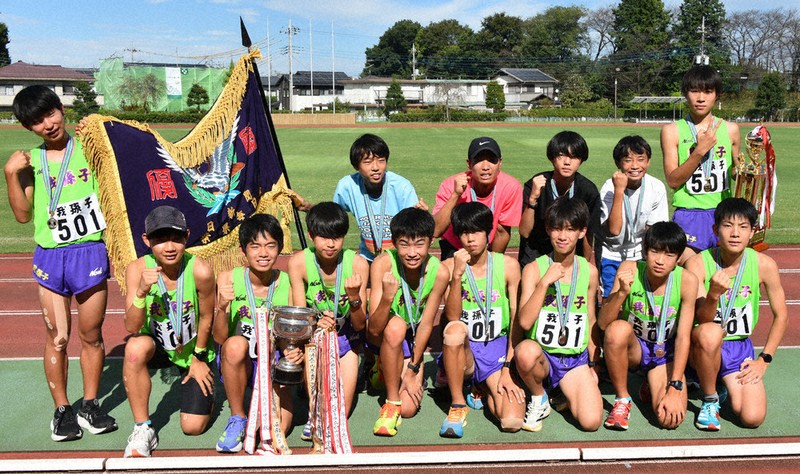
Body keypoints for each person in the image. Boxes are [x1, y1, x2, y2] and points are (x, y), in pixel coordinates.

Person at [4, 85, 116, 442]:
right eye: (37, 122)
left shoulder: (92, 148)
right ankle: (62, 410)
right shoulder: (29, 162)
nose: (48, 125)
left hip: (89, 252)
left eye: (50, 113)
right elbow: (22, 216)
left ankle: (89, 404)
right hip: (52, 256)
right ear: (28, 128)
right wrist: (10, 174)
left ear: (61, 108)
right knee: (58, 337)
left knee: (92, 336)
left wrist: (99, 130)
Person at [685, 198, 787, 431]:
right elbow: (703, 319)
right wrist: (713, 295)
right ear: (715, 229)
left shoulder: (765, 265)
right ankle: (710, 399)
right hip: (700, 347)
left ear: (752, 232)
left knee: (752, 418)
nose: (735, 233)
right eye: (728, 225)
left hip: (737, 350)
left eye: (743, 227)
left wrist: (764, 360)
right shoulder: (698, 263)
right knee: (710, 333)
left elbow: (781, 316)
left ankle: (721, 383)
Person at [122, 206, 216, 457]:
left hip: (193, 348)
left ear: (187, 236)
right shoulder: (136, 269)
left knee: (192, 428)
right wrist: (141, 292)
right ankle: (143, 428)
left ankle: (208, 389)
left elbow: (207, 317)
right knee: (134, 348)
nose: (169, 246)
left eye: (176, 238)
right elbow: (131, 326)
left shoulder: (200, 271)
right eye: (160, 239)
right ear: (146, 241)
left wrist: (198, 357)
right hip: (158, 345)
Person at [598, 222, 697, 430]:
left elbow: (683, 337)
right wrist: (622, 293)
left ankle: (651, 383)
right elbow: (603, 323)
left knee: (669, 419)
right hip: (635, 350)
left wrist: (675, 385)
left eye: (669, 255)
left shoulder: (687, 281)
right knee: (617, 330)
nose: (660, 260)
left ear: (679, 259)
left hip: (664, 353)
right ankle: (622, 399)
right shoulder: (629, 269)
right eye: (654, 252)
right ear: (645, 251)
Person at [514, 198, 602, 432]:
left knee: (592, 422)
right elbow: (523, 321)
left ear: (582, 232)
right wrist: (544, 284)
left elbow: (590, 319)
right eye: (557, 229)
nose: (563, 236)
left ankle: (562, 391)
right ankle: (539, 395)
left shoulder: (589, 272)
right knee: (524, 352)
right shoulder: (534, 269)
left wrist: (593, 365)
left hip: (574, 360)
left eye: (570, 230)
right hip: (542, 357)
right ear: (548, 230)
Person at [212, 214, 298, 453]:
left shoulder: (288, 283)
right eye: (255, 246)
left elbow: (291, 336)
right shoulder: (228, 279)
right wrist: (221, 307)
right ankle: (238, 417)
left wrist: (291, 353)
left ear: (280, 248)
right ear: (243, 250)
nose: (263, 253)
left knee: (277, 430)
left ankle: (271, 403)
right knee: (234, 345)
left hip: (274, 361)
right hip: (240, 360)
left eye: (270, 246)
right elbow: (219, 338)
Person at [438, 202, 525, 438]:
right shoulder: (448, 267)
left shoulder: (508, 266)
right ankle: (457, 404)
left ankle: (481, 387)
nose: (470, 239)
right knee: (455, 330)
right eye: (464, 232)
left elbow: (516, 317)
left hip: (496, 347)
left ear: (489, 232)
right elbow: (452, 317)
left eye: (476, 231)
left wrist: (508, 367)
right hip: (465, 349)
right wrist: (456, 276)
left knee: (511, 420)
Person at [367, 208, 450, 437]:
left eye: (419, 244)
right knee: (396, 327)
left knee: (410, 409)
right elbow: (373, 328)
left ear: (430, 242)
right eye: (404, 244)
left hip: (412, 337)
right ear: (394, 243)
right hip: (384, 332)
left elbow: (425, 324)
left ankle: (386, 370)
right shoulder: (382, 263)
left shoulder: (440, 272)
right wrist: (387, 297)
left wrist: (414, 368)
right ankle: (391, 401)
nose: (412, 252)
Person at [287, 202, 369, 423]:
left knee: (339, 414)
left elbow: (361, 325)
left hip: (347, 340)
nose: (331, 244)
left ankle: (357, 371)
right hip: (313, 339)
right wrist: (314, 325)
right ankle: (307, 383)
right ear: (311, 235)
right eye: (324, 237)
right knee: (317, 410)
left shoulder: (358, 264)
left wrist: (354, 300)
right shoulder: (298, 263)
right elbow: (298, 315)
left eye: (337, 237)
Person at [661, 65, 741, 257]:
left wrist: (751, 173)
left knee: (723, 276)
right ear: (685, 93)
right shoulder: (672, 131)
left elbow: (735, 172)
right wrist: (699, 151)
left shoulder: (730, 129)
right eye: (694, 91)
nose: (700, 98)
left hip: (722, 214)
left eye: (708, 91)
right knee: (691, 278)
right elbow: (673, 181)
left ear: (717, 94)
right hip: (690, 214)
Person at [333, 133, 426, 263]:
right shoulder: (347, 186)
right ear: (356, 166)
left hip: (398, 259)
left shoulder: (402, 186)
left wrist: (422, 216)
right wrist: (306, 206)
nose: (376, 167)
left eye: (381, 160)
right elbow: (332, 216)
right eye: (367, 162)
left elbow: (415, 228)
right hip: (367, 257)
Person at [597, 136, 669, 298]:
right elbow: (614, 230)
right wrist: (619, 191)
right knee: (612, 300)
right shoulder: (609, 188)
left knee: (638, 300)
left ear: (648, 162)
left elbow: (654, 231)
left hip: (640, 256)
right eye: (628, 160)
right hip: (611, 255)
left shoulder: (656, 187)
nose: (635, 166)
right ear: (618, 163)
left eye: (641, 159)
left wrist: (649, 259)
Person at [518, 131, 600, 268]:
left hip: (571, 258)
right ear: (552, 157)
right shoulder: (536, 184)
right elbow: (525, 232)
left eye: (574, 157)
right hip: (535, 256)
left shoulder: (588, 191)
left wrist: (584, 268)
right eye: (561, 155)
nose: (567, 162)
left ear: (581, 160)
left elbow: (588, 235)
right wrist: (532, 200)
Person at [433, 137, 522, 261]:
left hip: (488, 247)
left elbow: (501, 232)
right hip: (455, 247)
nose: (485, 167)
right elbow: (436, 231)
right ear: (469, 164)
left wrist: (493, 264)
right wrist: (455, 195)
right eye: (478, 161)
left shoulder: (510, 187)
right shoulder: (450, 184)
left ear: (500, 163)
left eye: (492, 160)